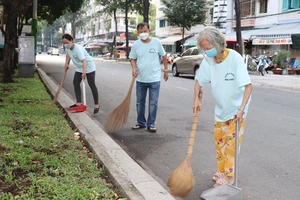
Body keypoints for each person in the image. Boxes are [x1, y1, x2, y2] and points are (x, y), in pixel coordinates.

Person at [192, 27, 252, 187]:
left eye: (208, 47)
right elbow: (199, 80)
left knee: (231, 145)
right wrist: (196, 99)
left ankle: (229, 176)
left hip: (237, 110)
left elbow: (248, 86)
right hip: (221, 110)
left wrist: (241, 110)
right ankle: (222, 170)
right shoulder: (209, 61)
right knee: (219, 143)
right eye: (204, 48)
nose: (207, 51)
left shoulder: (235, 58)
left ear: (218, 43)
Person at [129, 22, 168, 133]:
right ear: (138, 33)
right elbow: (132, 58)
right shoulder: (136, 45)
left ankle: (150, 124)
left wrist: (165, 70)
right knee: (139, 102)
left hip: (154, 78)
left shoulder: (156, 42)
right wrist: (134, 68)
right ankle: (141, 122)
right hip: (141, 79)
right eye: (141, 32)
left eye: (145, 31)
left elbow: (164, 55)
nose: (143, 34)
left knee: (153, 102)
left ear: (149, 31)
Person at [61, 34, 100, 114]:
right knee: (75, 82)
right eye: (64, 43)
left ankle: (96, 105)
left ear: (71, 41)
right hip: (79, 67)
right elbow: (67, 55)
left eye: (66, 42)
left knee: (91, 84)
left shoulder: (78, 49)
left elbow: (84, 61)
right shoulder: (68, 48)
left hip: (89, 67)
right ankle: (78, 103)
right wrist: (66, 64)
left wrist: (84, 72)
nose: (65, 44)